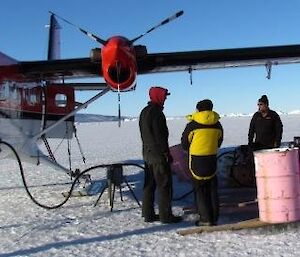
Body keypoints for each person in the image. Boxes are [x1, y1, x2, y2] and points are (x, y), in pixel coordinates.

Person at [139, 86, 182, 224]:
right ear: (157, 96)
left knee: (149, 184)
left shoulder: (144, 111)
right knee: (164, 185)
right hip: (158, 155)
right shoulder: (157, 113)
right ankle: (165, 216)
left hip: (147, 154)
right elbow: (160, 136)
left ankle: (148, 214)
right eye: (164, 96)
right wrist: (166, 153)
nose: (165, 99)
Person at [181, 99, 223, 226]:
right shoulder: (217, 124)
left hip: (197, 160)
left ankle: (205, 218)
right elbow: (219, 141)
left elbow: (184, 143)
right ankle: (214, 217)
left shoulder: (193, 125)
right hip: (211, 159)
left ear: (198, 109)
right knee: (212, 189)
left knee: (199, 189)